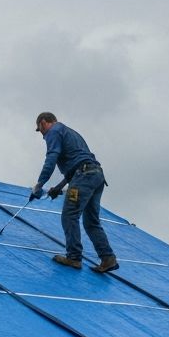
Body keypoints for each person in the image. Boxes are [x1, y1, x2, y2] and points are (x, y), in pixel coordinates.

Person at [29, 112, 118, 273]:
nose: (42, 135)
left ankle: (74, 257)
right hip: (96, 176)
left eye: (40, 130)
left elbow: (51, 159)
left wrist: (39, 184)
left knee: (69, 215)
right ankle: (108, 258)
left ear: (43, 122)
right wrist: (58, 187)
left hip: (83, 176)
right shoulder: (70, 133)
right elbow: (77, 164)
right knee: (91, 222)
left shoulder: (53, 132)